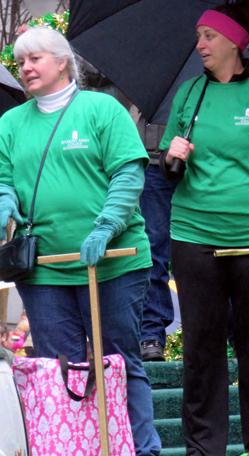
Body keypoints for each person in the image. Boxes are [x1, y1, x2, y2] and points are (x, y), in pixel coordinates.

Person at [0, 27, 161, 455]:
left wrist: (106, 226)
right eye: (21, 61)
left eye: (35, 59)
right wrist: (4, 200)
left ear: (62, 63)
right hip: (44, 269)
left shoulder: (101, 109)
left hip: (112, 262)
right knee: (62, 372)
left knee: (119, 362)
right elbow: (3, 177)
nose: (25, 68)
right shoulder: (10, 123)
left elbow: (128, 173)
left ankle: (141, 449)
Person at [159, 3, 249, 455]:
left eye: (209, 36)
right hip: (193, 234)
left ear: (235, 41)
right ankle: (205, 449)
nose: (200, 44)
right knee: (200, 351)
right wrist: (171, 157)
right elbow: (168, 171)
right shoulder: (190, 93)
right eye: (199, 36)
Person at [137, 118, 176, 361]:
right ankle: (151, 334)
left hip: (210, 161)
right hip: (153, 156)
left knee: (211, 249)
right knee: (152, 248)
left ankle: (231, 336)